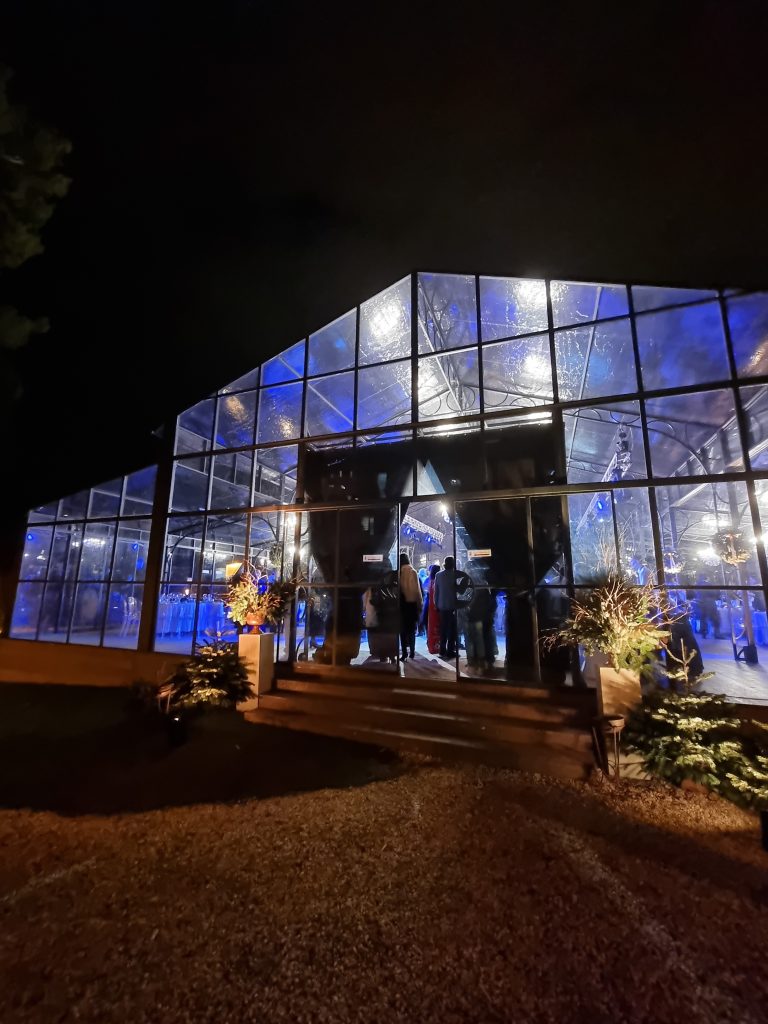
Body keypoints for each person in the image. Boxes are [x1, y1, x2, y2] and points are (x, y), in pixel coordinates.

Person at [433, 556, 471, 660]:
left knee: (443, 629)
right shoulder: (455, 574)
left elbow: (436, 592)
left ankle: (442, 650)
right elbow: (460, 590)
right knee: (452, 629)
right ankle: (450, 651)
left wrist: (436, 604)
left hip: (442, 605)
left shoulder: (438, 575)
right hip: (452, 605)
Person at [399, 551, 423, 660]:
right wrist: (420, 604)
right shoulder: (413, 572)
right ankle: (412, 652)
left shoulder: (398, 572)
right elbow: (417, 590)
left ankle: (404, 653)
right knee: (411, 630)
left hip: (402, 605)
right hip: (412, 605)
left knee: (402, 630)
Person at [423, 563, 442, 655]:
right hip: (437, 608)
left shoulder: (429, 581)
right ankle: (436, 646)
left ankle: (431, 645)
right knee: (438, 628)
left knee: (430, 628)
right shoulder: (437, 582)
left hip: (429, 608)